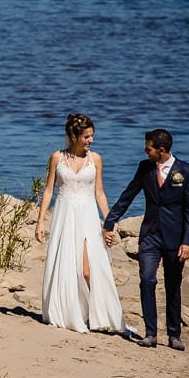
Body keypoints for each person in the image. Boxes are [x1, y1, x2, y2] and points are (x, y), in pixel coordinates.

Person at [102, 129, 189, 351]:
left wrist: (188, 241)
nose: (146, 152)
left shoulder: (187, 171)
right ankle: (150, 333)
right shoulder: (145, 168)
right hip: (150, 235)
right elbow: (129, 194)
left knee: (173, 285)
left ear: (161, 150)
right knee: (147, 280)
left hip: (176, 238)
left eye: (149, 149)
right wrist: (110, 221)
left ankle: (174, 335)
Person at [34, 113, 126, 334]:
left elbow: (100, 193)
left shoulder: (95, 159)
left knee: (87, 270)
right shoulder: (57, 157)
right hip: (64, 216)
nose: (90, 140)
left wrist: (109, 221)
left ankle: (95, 313)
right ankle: (69, 312)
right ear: (73, 136)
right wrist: (40, 222)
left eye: (92, 136)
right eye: (86, 136)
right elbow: (49, 190)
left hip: (87, 217)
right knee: (66, 265)